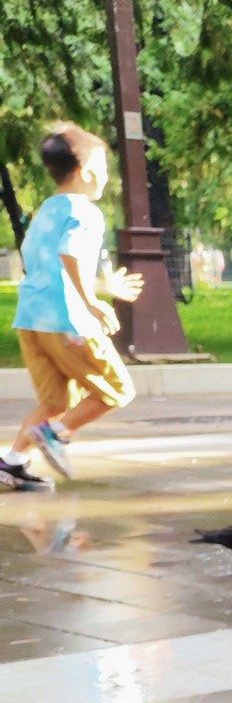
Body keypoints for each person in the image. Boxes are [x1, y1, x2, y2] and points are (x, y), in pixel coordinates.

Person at [4, 124, 142, 489]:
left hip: (32, 322)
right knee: (117, 390)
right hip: (69, 322)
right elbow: (70, 255)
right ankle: (56, 435)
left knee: (54, 400)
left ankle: (13, 461)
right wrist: (93, 301)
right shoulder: (85, 212)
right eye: (105, 167)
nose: (107, 177)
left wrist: (99, 285)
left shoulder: (47, 211)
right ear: (88, 172)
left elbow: (51, 265)